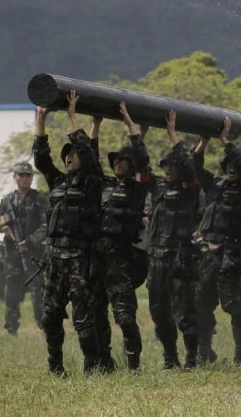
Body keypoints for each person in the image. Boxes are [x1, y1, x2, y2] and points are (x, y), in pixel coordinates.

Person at [33, 91, 103, 376]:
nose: (69, 158)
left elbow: (87, 150)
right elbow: (41, 159)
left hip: (79, 258)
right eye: (66, 156)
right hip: (53, 259)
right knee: (50, 317)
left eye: (72, 154)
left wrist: (73, 115)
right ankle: (56, 367)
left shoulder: (92, 182)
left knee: (83, 319)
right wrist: (41, 116)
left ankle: (91, 367)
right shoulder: (58, 182)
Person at [88, 103, 150, 371]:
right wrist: (96, 124)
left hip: (121, 260)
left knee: (124, 316)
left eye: (122, 161)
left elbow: (143, 159)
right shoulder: (104, 186)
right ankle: (104, 362)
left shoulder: (137, 188)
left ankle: (133, 365)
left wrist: (130, 124)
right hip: (97, 258)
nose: (116, 164)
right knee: (96, 313)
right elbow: (90, 160)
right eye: (114, 162)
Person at [193, 117, 241, 364]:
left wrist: (225, 139)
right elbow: (196, 167)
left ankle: (240, 354)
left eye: (235, 165)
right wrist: (204, 141)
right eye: (228, 164)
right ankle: (204, 351)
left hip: (230, 254)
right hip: (207, 254)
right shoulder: (214, 187)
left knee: (235, 306)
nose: (232, 167)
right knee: (201, 304)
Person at [145, 110, 202, 369]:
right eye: (165, 166)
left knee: (185, 310)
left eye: (172, 166)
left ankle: (192, 357)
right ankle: (170, 358)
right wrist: (139, 132)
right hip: (157, 258)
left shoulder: (189, 189)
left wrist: (172, 134)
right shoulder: (157, 189)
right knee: (158, 310)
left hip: (181, 258)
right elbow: (138, 165)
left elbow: (190, 167)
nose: (168, 170)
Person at [0, 161, 49, 336]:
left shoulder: (40, 199)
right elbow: (1, 222)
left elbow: (46, 223)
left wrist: (30, 240)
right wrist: (6, 230)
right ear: (15, 177)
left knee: (37, 288)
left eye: (28, 175)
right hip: (12, 252)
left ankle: (43, 326)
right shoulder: (6, 201)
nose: (25, 178)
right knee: (11, 287)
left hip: (33, 252)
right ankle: (11, 327)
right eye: (21, 175)